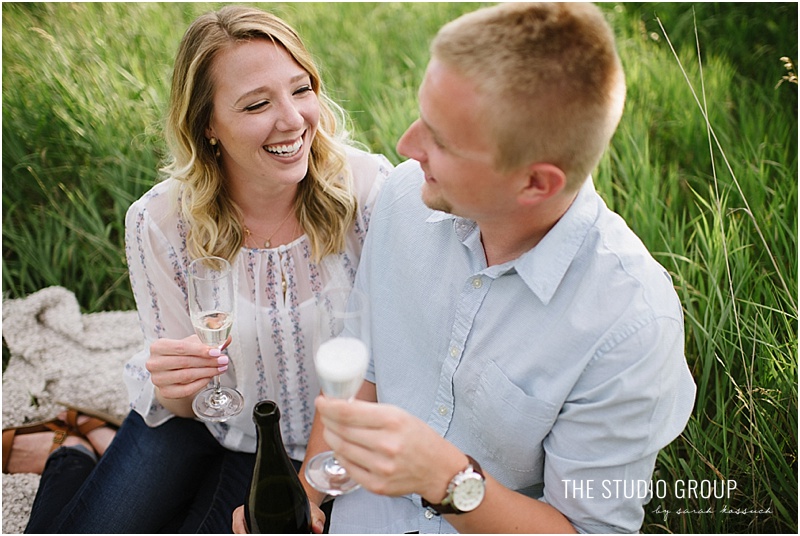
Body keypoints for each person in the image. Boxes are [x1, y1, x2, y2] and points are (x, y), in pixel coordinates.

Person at [234, 2, 696, 533]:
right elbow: (367, 368)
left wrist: (447, 479)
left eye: (442, 140)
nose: (408, 146)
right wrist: (306, 497)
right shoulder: (409, 197)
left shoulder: (628, 323)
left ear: (535, 183)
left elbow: (589, 530)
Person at [21, 5, 390, 533]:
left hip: (341, 443)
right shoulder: (161, 221)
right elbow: (187, 399)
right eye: (257, 103)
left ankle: (88, 446)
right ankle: (72, 452)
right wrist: (175, 387)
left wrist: (302, 490)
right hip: (210, 428)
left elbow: (385, 361)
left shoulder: (369, 189)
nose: (292, 119)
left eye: (301, 89)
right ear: (208, 125)